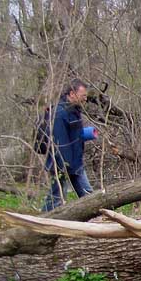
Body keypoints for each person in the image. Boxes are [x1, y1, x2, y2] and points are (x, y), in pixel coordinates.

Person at [43, 79, 96, 212]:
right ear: (72, 94)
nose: (85, 99)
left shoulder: (73, 111)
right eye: (83, 95)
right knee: (56, 199)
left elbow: (73, 136)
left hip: (75, 163)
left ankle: (96, 221)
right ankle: (42, 221)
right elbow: (60, 143)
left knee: (89, 196)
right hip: (63, 165)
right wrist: (65, 167)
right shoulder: (59, 114)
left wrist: (86, 134)